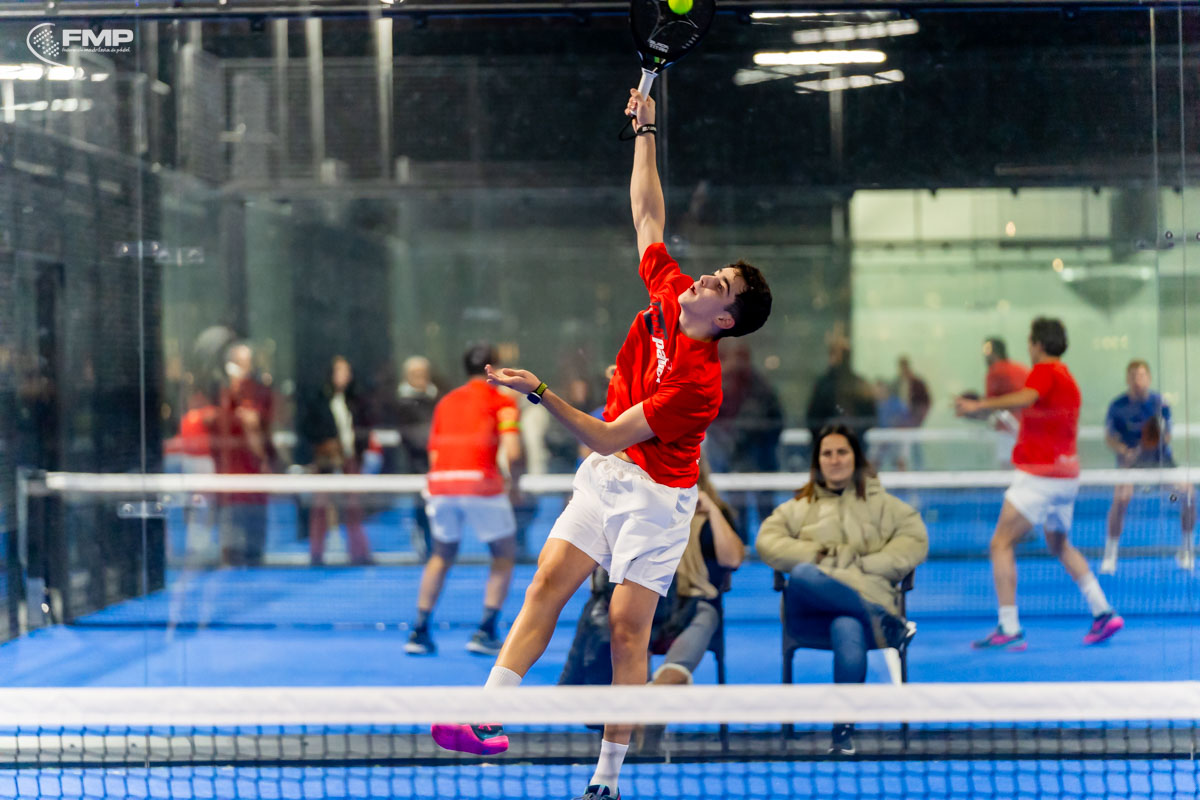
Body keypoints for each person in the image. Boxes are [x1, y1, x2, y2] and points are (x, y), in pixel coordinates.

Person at [430, 86, 773, 800]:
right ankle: (487, 717)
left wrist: (539, 392)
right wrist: (646, 131)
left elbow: (608, 432)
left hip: (657, 500)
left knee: (625, 629)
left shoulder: (699, 384)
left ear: (727, 318)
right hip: (609, 477)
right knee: (546, 583)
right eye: (714, 271)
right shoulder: (669, 292)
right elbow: (647, 213)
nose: (705, 276)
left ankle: (608, 779)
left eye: (720, 283)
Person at [756, 423, 928, 756]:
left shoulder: (885, 505)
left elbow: (914, 540)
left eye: (842, 452)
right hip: (809, 614)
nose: (835, 460)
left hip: (860, 609)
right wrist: (820, 556)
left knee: (847, 625)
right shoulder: (798, 506)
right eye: (827, 454)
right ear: (818, 461)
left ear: (855, 457)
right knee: (803, 573)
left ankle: (842, 732)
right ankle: (886, 622)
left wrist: (865, 565)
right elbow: (767, 541)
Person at [955, 318, 1123, 650]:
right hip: (1066, 476)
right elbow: (1040, 417)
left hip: (1039, 476)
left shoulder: (1045, 371)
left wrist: (980, 404)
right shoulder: (1067, 379)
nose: (1029, 348)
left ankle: (1009, 627)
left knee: (1000, 544)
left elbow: (1026, 396)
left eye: (1030, 342)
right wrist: (1007, 423)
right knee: (1059, 544)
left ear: (1038, 344)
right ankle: (1103, 611)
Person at [406, 343, 525, 657]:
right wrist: (514, 484)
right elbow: (513, 452)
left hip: (440, 485)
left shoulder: (445, 402)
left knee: (441, 554)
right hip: (481, 484)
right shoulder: (503, 401)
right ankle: (486, 631)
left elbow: (434, 454)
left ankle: (419, 631)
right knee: (503, 554)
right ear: (493, 368)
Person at [1101, 359, 1195, 573]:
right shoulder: (1117, 406)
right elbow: (1110, 438)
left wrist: (1150, 444)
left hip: (1161, 463)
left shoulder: (1160, 403)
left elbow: (1167, 435)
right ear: (1127, 379)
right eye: (1133, 376)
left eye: (1142, 375)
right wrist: (1125, 451)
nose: (1138, 380)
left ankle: (1186, 550)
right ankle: (1110, 553)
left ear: (1149, 378)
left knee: (1187, 495)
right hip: (1130, 466)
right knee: (1121, 499)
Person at [298, 355, 374, 566]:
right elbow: (308, 428)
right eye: (341, 371)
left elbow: (363, 428)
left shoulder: (354, 401)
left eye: (347, 372)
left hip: (349, 458)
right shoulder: (319, 399)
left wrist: (358, 451)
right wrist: (325, 444)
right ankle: (316, 553)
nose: (345, 376)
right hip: (325, 460)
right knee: (320, 507)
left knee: (353, 507)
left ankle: (359, 552)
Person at [212, 342, 276, 567]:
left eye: (247, 362)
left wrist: (265, 460)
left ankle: (252, 559)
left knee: (254, 534)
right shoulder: (223, 393)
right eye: (240, 362)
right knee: (232, 533)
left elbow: (259, 426)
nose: (244, 367)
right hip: (231, 477)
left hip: (253, 476)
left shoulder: (257, 391)